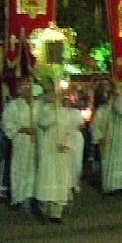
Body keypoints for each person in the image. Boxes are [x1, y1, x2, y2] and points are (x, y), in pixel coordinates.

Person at [35, 84, 83, 224]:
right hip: (49, 151)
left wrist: (66, 143)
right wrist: (53, 111)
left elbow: (72, 131)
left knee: (61, 180)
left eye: (58, 94)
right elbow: (43, 123)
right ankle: (45, 209)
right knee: (48, 178)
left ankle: (57, 213)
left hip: (62, 151)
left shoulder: (67, 113)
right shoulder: (45, 110)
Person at [2, 77, 38, 212]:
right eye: (25, 87)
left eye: (30, 86)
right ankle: (21, 198)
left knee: (34, 169)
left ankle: (35, 197)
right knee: (21, 169)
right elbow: (7, 124)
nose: (28, 89)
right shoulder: (14, 105)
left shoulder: (38, 104)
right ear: (19, 89)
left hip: (36, 143)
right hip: (22, 141)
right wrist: (23, 129)